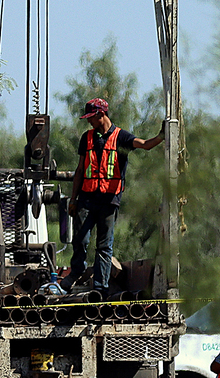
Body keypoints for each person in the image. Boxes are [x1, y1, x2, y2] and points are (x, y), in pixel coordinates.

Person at [64, 98, 164, 295]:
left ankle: (100, 288)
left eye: (91, 118)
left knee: (104, 245)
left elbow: (144, 145)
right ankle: (76, 271)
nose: (89, 122)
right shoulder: (87, 138)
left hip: (109, 201)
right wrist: (73, 199)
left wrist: (161, 136)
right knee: (81, 239)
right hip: (86, 199)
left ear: (101, 114)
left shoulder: (121, 137)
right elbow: (80, 170)